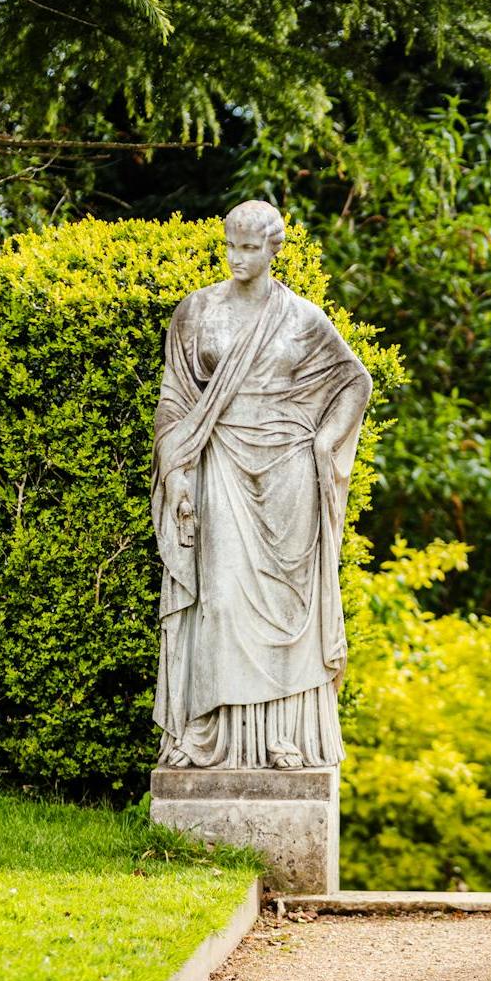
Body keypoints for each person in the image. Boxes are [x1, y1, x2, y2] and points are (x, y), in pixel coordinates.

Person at [152, 200, 373, 770]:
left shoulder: (301, 318)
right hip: (220, 462)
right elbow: (175, 402)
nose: (236, 258)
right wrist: (177, 475)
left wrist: (325, 443)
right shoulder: (196, 312)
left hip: (289, 473)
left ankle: (283, 737)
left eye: (249, 248)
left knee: (286, 606)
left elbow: (355, 381)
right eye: (230, 245)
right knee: (220, 600)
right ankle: (210, 735)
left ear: (275, 249)